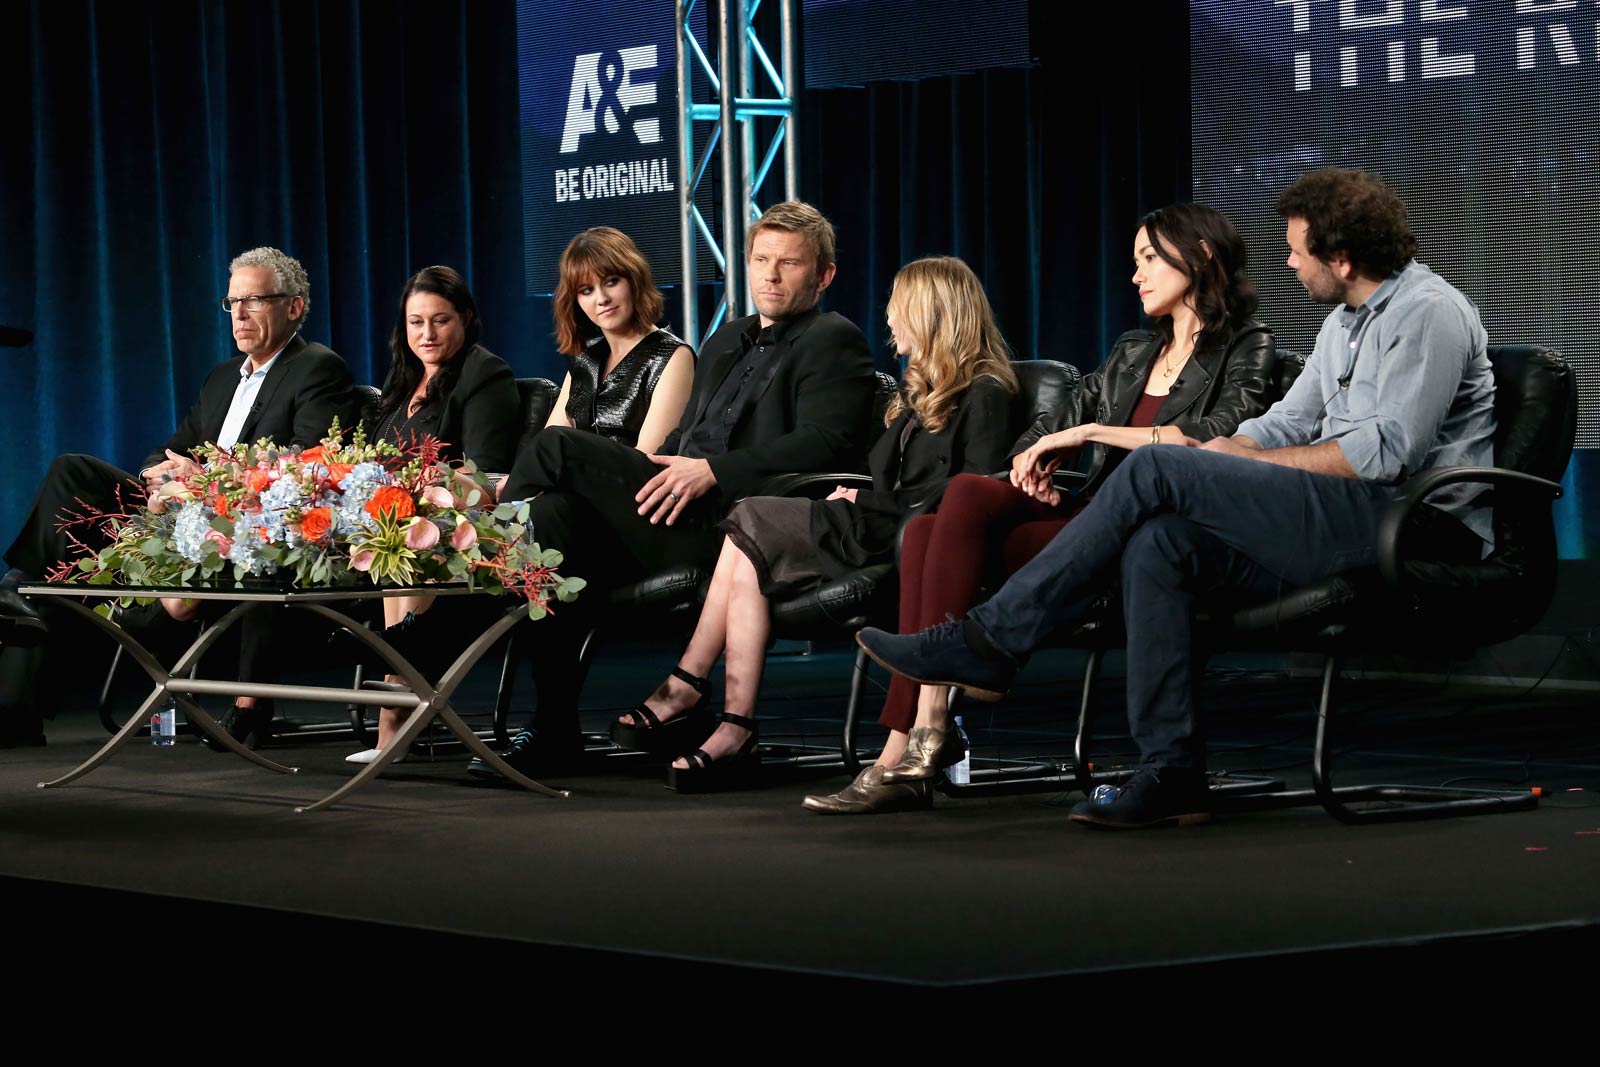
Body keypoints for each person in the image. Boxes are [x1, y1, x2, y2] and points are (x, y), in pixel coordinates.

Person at [857, 168, 1495, 829]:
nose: (1288, 259)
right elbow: (1280, 426)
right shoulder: (1344, 323)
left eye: (1299, 250)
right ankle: (1172, 769)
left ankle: (992, 639)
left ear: (1341, 256)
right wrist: (1230, 456)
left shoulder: (1429, 312)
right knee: (1160, 543)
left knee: (1159, 467)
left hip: (1410, 522)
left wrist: (1239, 464)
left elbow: (1387, 454)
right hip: (1336, 511)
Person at [806, 203, 1277, 814]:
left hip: (1148, 534)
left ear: (1202, 256)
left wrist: (1090, 437)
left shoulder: (1249, 348)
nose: (1135, 276)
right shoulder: (1135, 351)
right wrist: (1035, 461)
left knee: (937, 522)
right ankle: (923, 727)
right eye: (1134, 262)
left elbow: (1212, 440)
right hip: (1087, 514)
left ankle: (908, 747)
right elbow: (1061, 416)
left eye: (1149, 259)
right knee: (941, 515)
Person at [471, 200, 876, 779]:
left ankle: (478, 575)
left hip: (729, 526)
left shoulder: (833, 339)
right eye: (761, 259)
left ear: (823, 275)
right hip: (673, 504)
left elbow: (826, 444)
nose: (769, 273)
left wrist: (713, 472)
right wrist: (677, 458)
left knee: (554, 447)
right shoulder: (727, 339)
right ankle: (556, 730)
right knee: (556, 519)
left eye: (788, 263)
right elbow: (693, 432)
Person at [613, 256, 1019, 791]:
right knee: (746, 544)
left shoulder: (986, 390)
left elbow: (970, 490)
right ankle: (731, 721)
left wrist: (869, 500)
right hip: (872, 521)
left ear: (931, 313)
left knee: (749, 518)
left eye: (898, 310)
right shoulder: (919, 393)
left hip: (901, 535)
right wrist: (864, 492)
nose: (890, 322)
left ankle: (695, 689)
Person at [0, 247, 357, 746]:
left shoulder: (317, 368)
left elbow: (302, 465)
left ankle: (22, 621)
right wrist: (158, 476)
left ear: (294, 307)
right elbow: (168, 449)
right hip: (175, 516)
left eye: (254, 300)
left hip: (244, 527)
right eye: (232, 302)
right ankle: (19, 594)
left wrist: (201, 480)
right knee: (72, 472)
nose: (240, 314)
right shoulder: (221, 379)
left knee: (50, 570)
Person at [341, 265, 521, 764]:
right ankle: (403, 696)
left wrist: (421, 493)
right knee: (386, 529)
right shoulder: (402, 383)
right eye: (415, 322)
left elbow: (487, 474)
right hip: (389, 524)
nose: (427, 334)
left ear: (465, 318)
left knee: (409, 532)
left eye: (440, 321)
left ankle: (393, 723)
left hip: (464, 527)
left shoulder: (485, 373)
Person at [540, 226, 694, 452]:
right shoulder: (585, 358)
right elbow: (546, 447)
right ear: (575, 301)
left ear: (634, 280)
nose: (601, 299)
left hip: (631, 483)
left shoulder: (673, 356)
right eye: (586, 290)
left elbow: (646, 461)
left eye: (611, 282)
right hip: (571, 482)